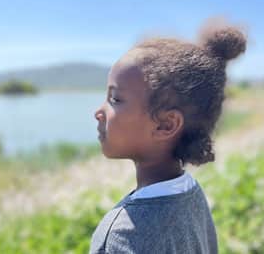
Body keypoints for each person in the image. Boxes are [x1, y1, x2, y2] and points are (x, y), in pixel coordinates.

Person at [90, 19, 247, 254]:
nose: (98, 112)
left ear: (166, 125)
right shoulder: (191, 194)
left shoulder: (121, 236)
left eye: (115, 99)